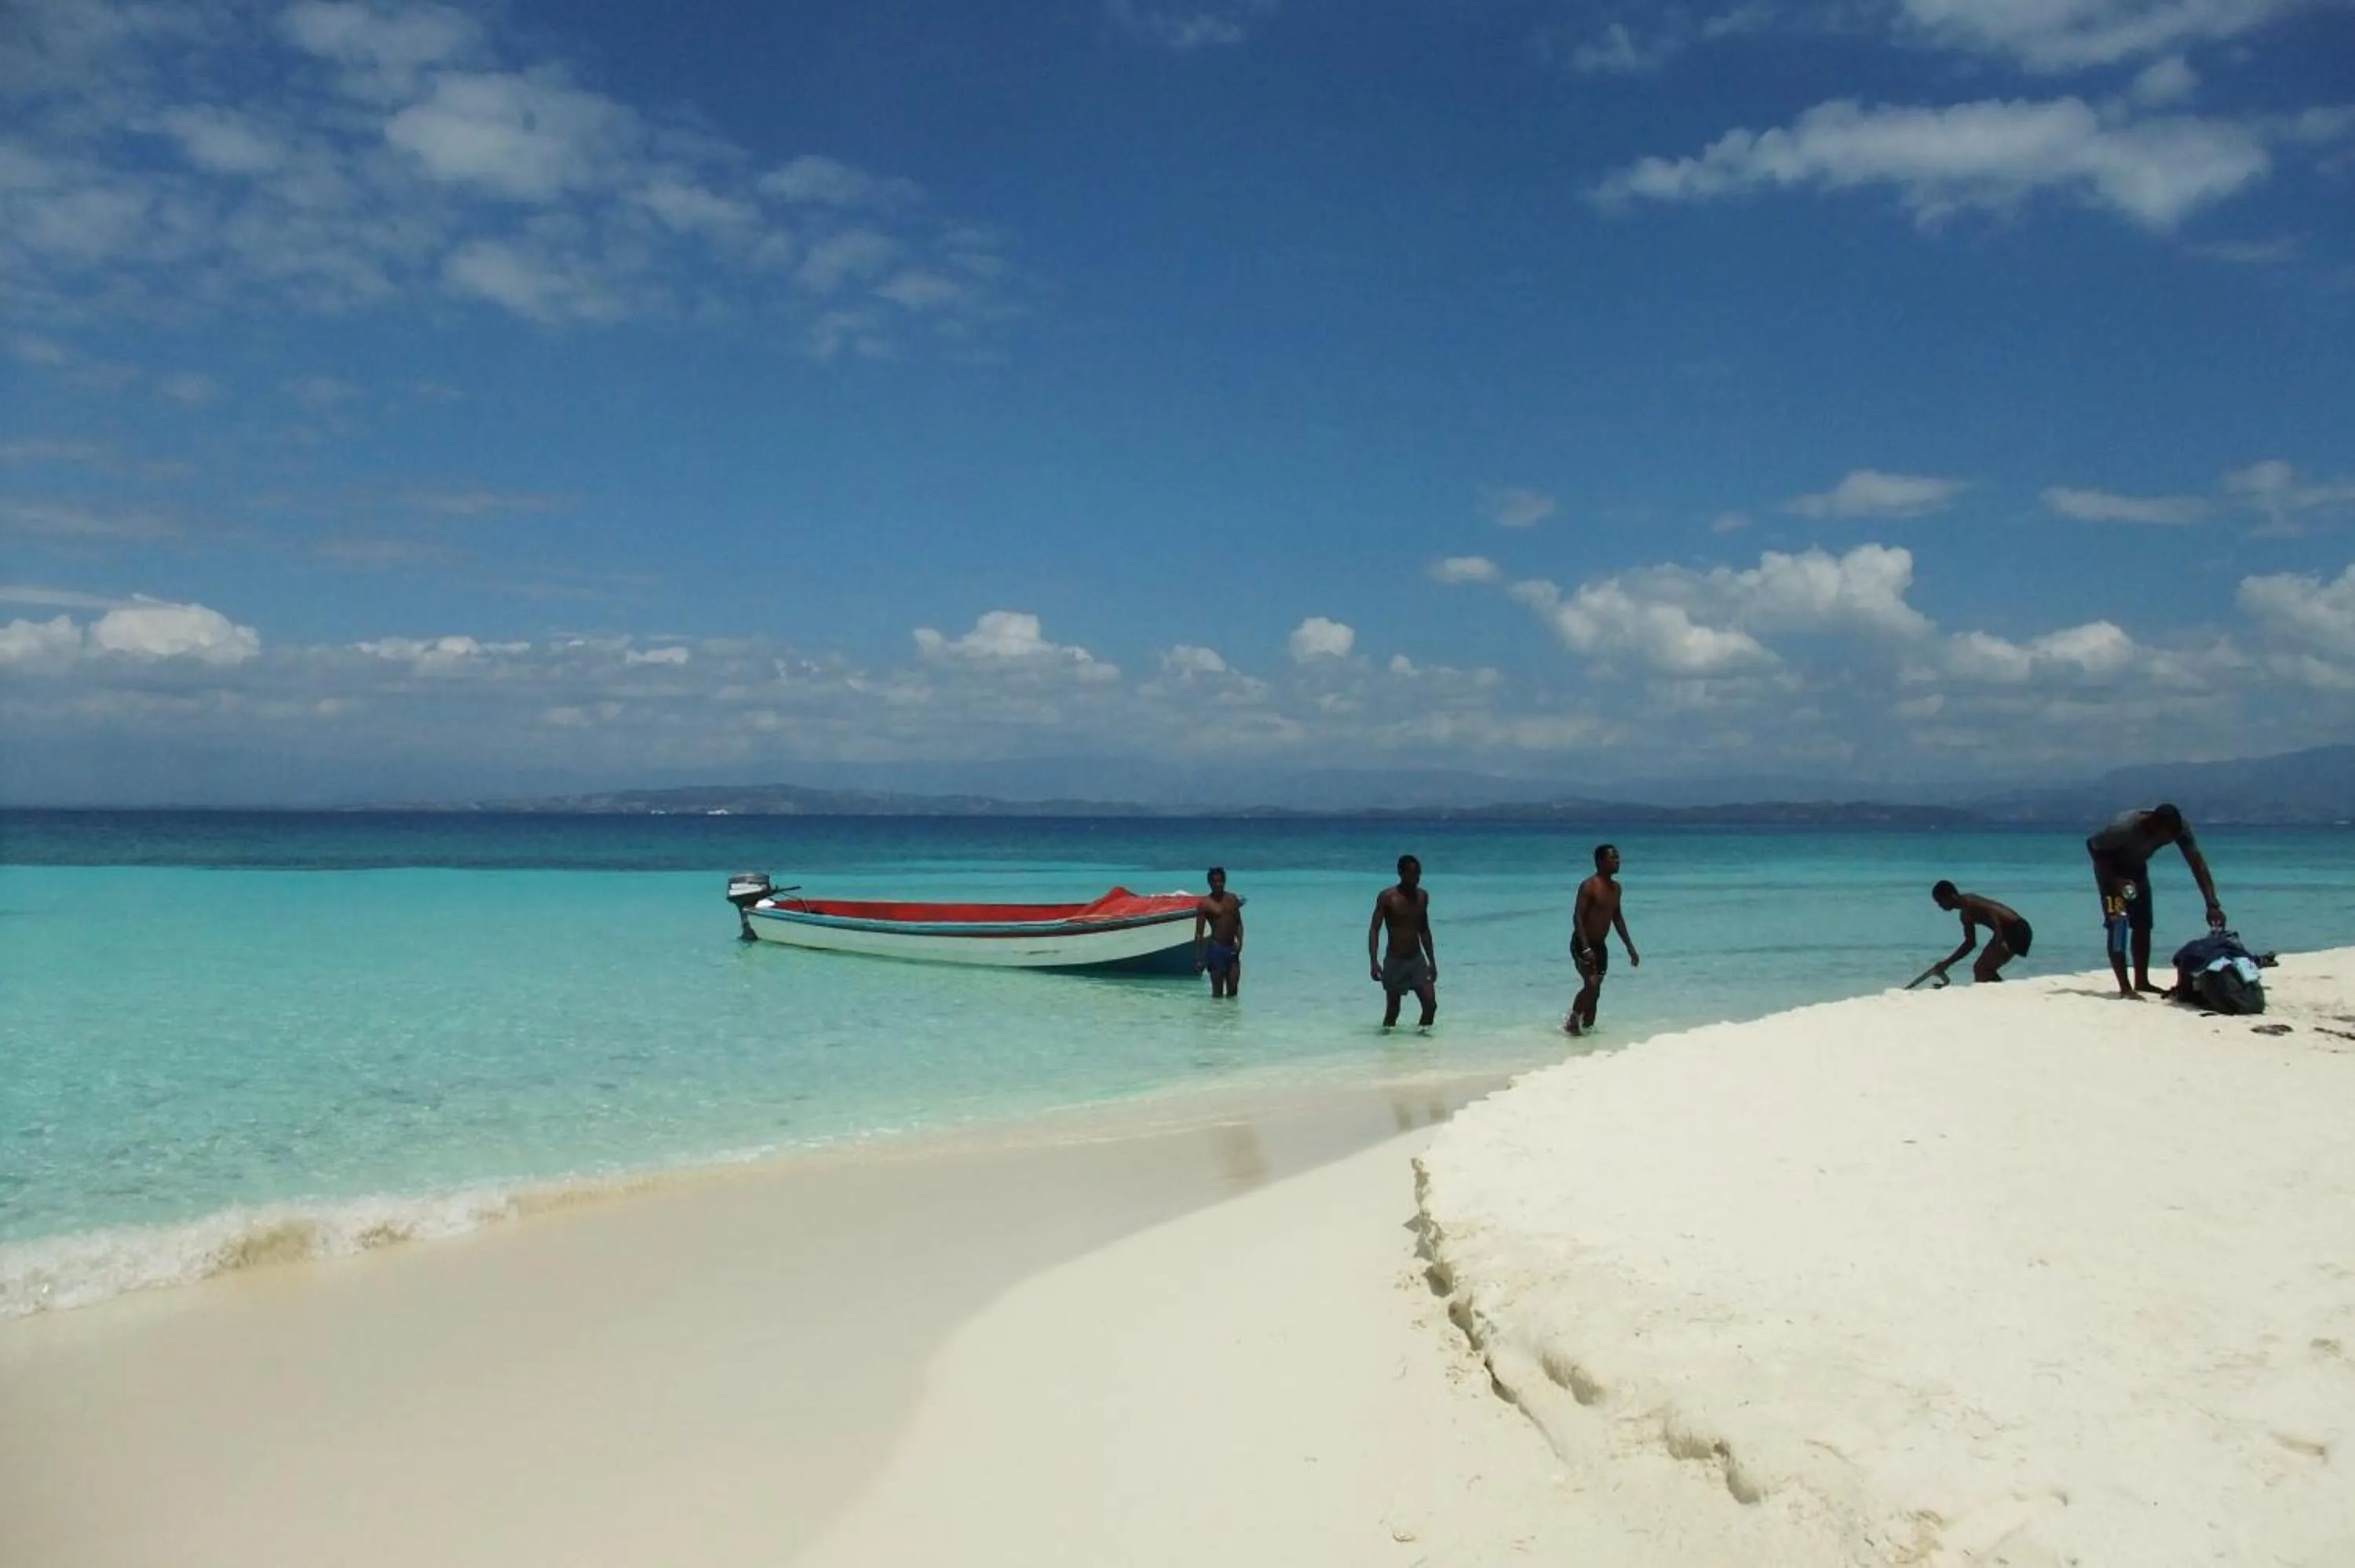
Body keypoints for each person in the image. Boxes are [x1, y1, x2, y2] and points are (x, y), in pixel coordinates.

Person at [2085, 803, 2225, 1000]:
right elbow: (2093, 846)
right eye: (2166, 836)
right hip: (2111, 874)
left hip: (2137, 871)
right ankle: (2125, 988)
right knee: (2118, 925)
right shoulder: (2123, 828)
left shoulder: (2178, 828)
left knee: (2143, 925)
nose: (2168, 842)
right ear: (2154, 824)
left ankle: (2142, 981)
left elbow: (2197, 863)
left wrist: (2212, 904)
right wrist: (2115, 881)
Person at [1566, 843, 1640, 1036]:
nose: (1618, 861)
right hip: (1583, 943)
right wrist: (1586, 947)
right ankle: (1573, 1020)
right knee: (1592, 985)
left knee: (1595, 993)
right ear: (1600, 861)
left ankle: (1588, 1036)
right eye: (1613, 858)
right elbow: (1578, 918)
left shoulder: (1616, 889)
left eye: (1618, 857)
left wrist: (1630, 948)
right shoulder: (1589, 886)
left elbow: (1617, 918)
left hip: (1600, 946)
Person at [1367, 854, 1437, 1029]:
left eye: (1418, 874)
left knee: (1430, 1004)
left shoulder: (1422, 897)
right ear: (1401, 873)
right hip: (1395, 960)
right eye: (1412, 874)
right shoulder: (1387, 897)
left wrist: (1432, 962)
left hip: (1416, 960)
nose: (1416, 878)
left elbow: (1424, 930)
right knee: (1393, 1010)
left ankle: (1423, 1043)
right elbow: (1375, 929)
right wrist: (1374, 962)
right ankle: (1388, 1048)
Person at [1927, 881, 2032, 983]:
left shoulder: (1970, 902)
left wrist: (2000, 940)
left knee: (1981, 969)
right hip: (2009, 931)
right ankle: (2000, 995)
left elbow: (1994, 914)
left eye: (1940, 901)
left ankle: (2002, 996)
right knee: (1982, 969)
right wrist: (1947, 963)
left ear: (1952, 896)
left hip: (2015, 929)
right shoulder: (1965, 915)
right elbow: (1970, 944)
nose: (1939, 906)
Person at [1192, 866, 1244, 998]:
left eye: (1220, 881)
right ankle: (1217, 1017)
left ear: (1225, 881)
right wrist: (1199, 958)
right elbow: (1199, 933)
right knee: (1218, 994)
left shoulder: (1232, 899)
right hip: (1216, 949)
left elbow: (1238, 923)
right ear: (1209, 883)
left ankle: (1231, 1018)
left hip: (1232, 948)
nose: (1218, 884)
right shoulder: (1205, 904)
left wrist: (1240, 942)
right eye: (1214, 882)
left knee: (1233, 992)